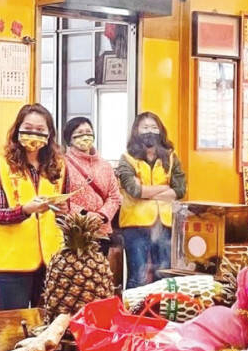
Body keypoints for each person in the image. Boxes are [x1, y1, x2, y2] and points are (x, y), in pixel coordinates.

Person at [0, 103, 68, 310]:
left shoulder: (58, 166)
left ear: (49, 134)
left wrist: (63, 211)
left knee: (48, 320)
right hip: (13, 260)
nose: (34, 134)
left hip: (51, 259)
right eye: (28, 128)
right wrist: (26, 210)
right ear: (17, 130)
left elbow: (64, 210)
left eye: (40, 129)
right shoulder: (1, 166)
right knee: (13, 323)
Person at [117, 112, 186, 289]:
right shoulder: (127, 159)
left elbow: (180, 189)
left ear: (161, 131)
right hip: (135, 225)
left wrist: (146, 192)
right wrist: (165, 188)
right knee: (138, 277)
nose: (150, 131)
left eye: (154, 128)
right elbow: (134, 190)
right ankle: (134, 307)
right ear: (136, 131)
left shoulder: (171, 157)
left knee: (164, 275)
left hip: (165, 224)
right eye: (145, 127)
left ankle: (160, 306)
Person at [62, 117, 122, 245]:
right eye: (79, 133)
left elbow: (115, 196)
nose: (85, 136)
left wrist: (102, 215)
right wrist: (85, 214)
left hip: (101, 231)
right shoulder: (62, 164)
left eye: (88, 132)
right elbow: (60, 197)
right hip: (73, 232)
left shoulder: (105, 165)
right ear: (69, 139)